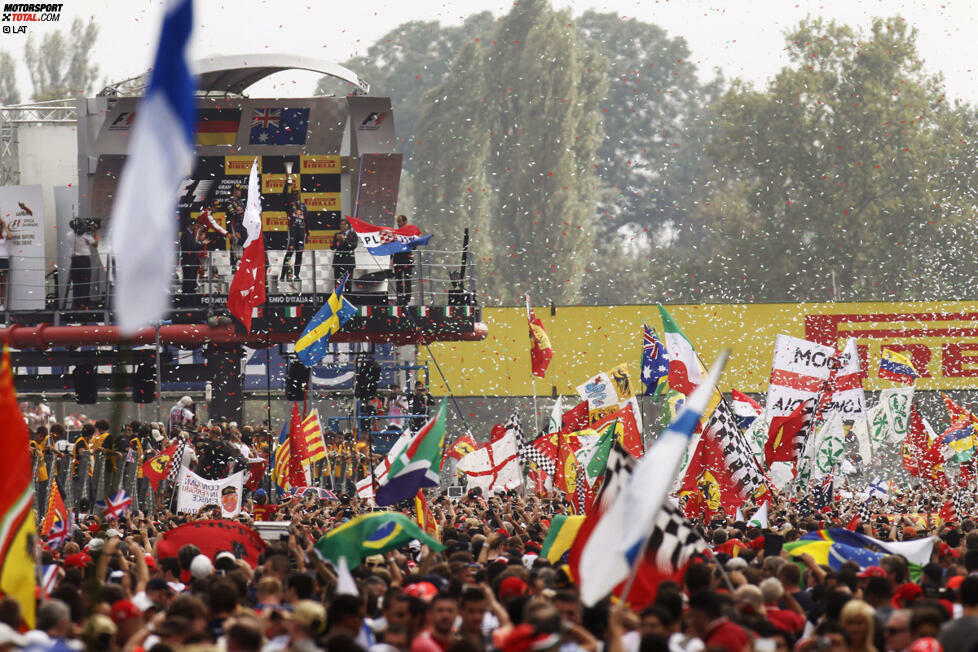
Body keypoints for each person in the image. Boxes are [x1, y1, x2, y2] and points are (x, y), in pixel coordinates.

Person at [280, 180, 307, 284]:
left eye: (298, 192)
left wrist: (308, 233)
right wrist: (287, 182)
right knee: (289, 254)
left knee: (299, 255)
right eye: (294, 193)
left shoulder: (303, 206)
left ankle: (296, 275)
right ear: (292, 195)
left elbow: (306, 220)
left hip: (301, 235)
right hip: (292, 234)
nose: (297, 194)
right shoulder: (289, 205)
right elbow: (283, 195)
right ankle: (282, 275)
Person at [67, 218, 97, 309]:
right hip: (84, 260)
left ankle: (76, 304)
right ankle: (84, 304)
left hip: (74, 260)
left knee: (76, 282)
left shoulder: (69, 235)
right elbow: (96, 244)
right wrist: (95, 232)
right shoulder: (85, 235)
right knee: (85, 282)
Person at [391, 214, 414, 306]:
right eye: (397, 222)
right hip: (397, 259)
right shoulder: (395, 233)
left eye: (400, 222)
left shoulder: (410, 232)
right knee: (398, 279)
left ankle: (407, 298)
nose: (398, 224)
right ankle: (399, 298)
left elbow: (413, 245)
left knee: (407, 279)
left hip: (407, 259)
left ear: (405, 222)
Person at [222, 184, 246, 269]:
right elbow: (233, 215)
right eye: (239, 190)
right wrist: (236, 230)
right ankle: (235, 267)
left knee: (243, 245)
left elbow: (244, 214)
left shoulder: (241, 202)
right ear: (234, 192)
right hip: (234, 226)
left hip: (242, 226)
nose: (240, 192)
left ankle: (242, 267)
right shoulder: (230, 202)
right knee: (236, 246)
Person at [331, 218, 357, 285]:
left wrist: (344, 240)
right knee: (337, 282)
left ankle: (348, 295)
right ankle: (337, 295)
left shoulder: (353, 235)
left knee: (348, 282)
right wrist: (337, 241)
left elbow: (353, 246)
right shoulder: (337, 234)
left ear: (347, 225)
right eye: (340, 224)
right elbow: (332, 247)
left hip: (348, 262)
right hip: (338, 262)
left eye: (342, 224)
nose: (341, 226)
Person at [0, 216, 10, 311]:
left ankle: (1, 304)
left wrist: (4, 225)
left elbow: (10, 236)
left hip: (4, 259)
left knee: (3, 282)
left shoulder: (3, 233)